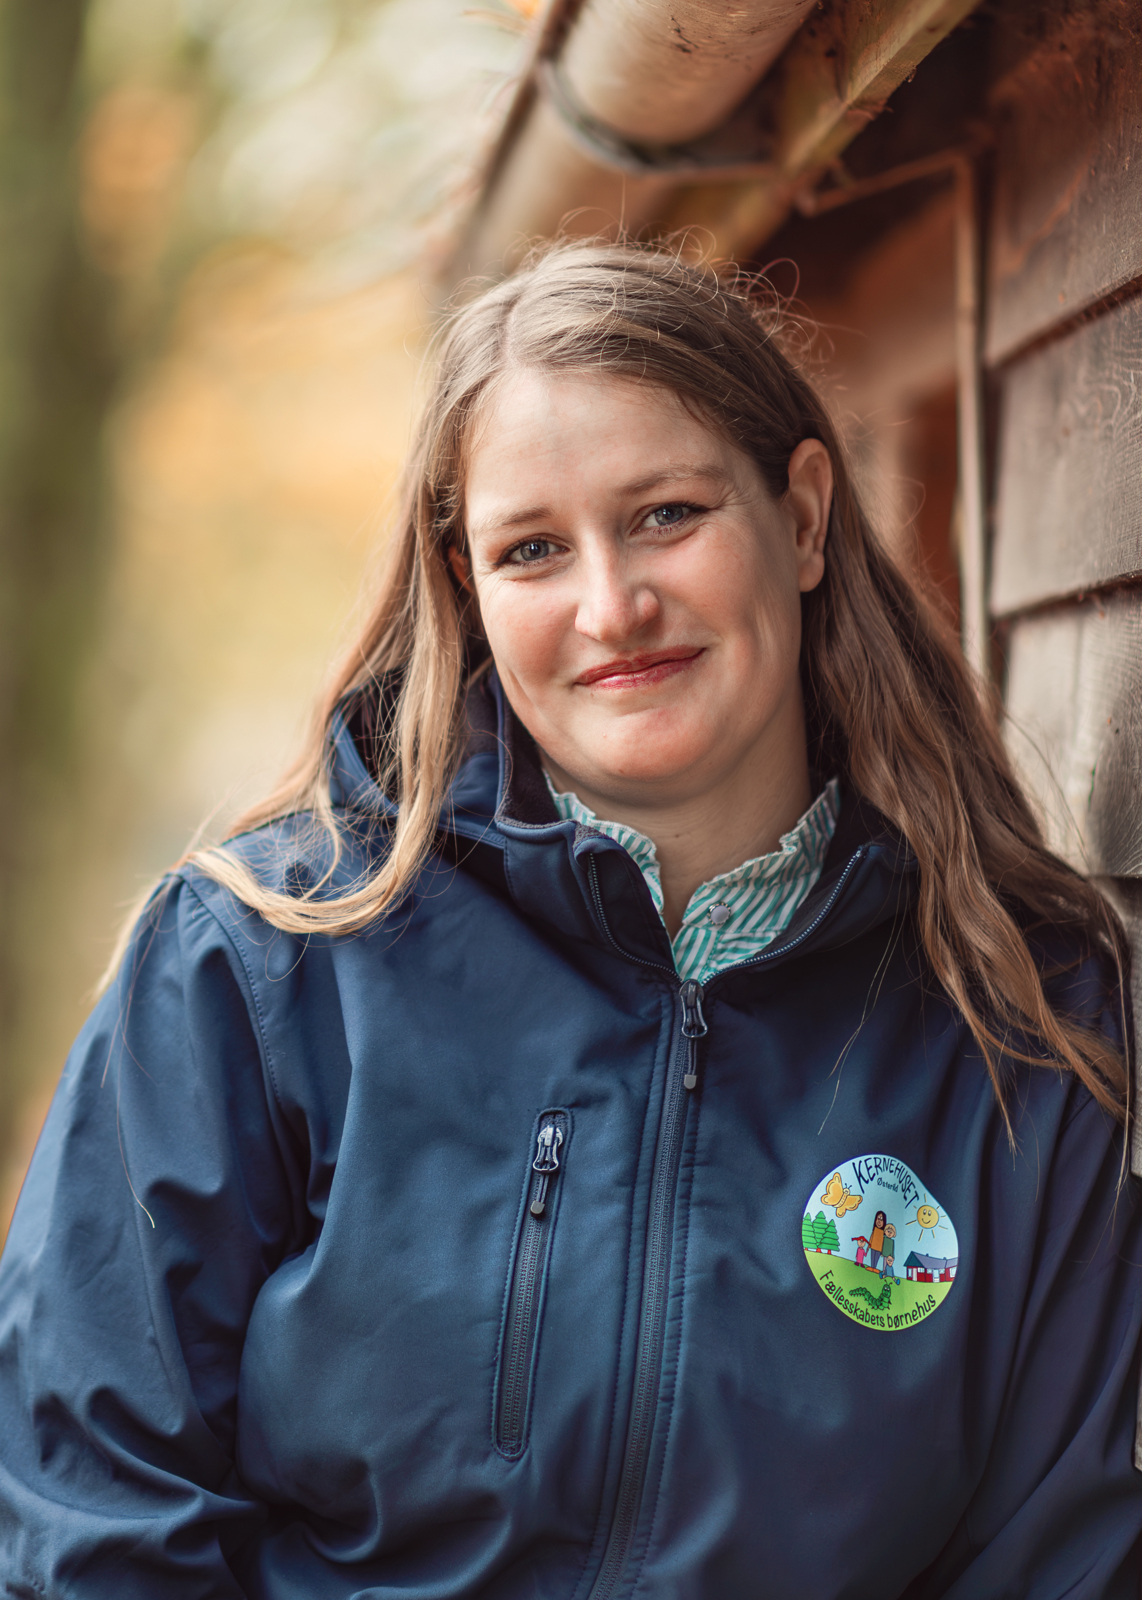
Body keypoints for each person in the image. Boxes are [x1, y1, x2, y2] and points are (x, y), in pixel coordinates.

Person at [0, 241, 1139, 1599]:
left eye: (666, 514)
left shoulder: (1020, 1016)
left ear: (803, 517)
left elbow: (1059, 1561)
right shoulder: (253, 965)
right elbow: (91, 1509)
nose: (613, 606)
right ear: (468, 587)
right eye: (532, 549)